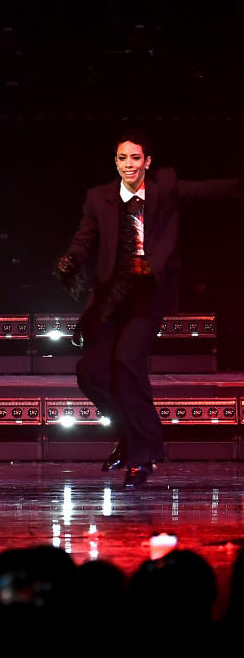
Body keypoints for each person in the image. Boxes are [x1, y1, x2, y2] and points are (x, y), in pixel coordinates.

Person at [56, 129, 241, 488]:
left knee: (127, 362)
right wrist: (70, 261)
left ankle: (142, 457)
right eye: (123, 158)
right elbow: (84, 240)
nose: (129, 165)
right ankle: (133, 437)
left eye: (136, 158)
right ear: (115, 162)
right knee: (90, 372)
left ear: (147, 162)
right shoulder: (99, 198)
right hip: (112, 300)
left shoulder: (164, 189)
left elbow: (206, 190)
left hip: (147, 296)